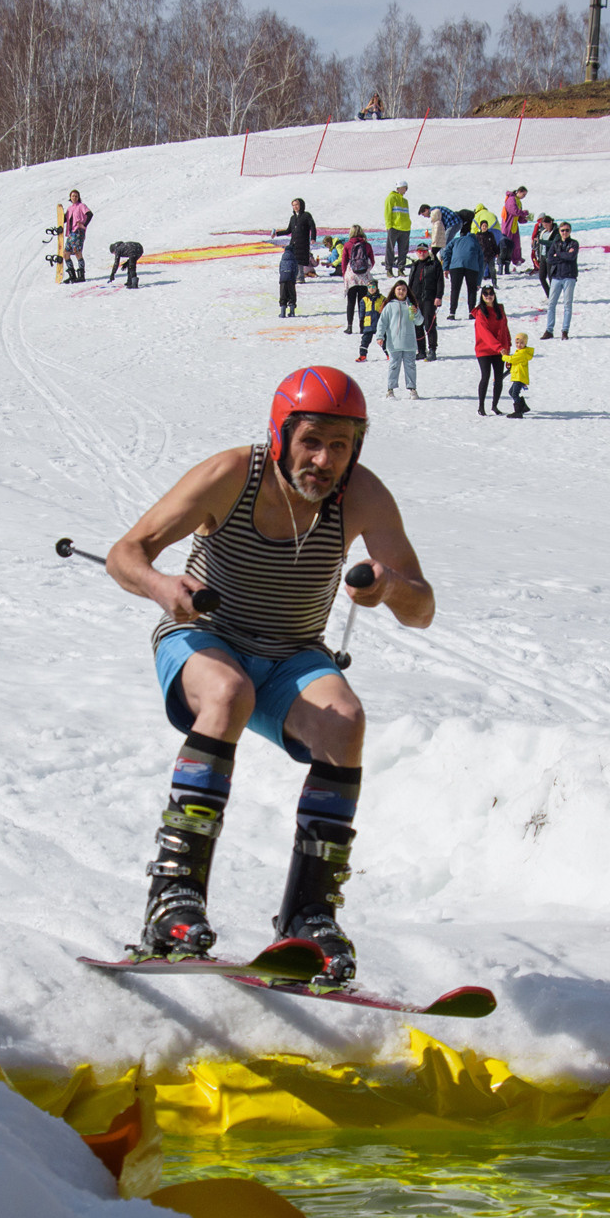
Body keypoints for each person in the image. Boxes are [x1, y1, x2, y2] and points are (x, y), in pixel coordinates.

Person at [104, 366, 434, 984]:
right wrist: (160, 585)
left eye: (341, 445)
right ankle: (173, 900)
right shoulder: (232, 474)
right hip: (203, 635)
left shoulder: (361, 494)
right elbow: (127, 553)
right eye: (311, 440)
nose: (324, 459)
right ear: (282, 435)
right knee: (228, 693)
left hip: (292, 652)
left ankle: (309, 917)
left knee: (346, 722)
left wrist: (388, 586)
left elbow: (423, 610)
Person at [377, 281, 424, 398]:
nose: (401, 292)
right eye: (399, 289)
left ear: (407, 291)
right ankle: (390, 390)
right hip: (394, 343)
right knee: (393, 366)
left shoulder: (411, 305)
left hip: (409, 343)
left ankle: (412, 389)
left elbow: (419, 322)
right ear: (394, 291)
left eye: (403, 289)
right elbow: (382, 322)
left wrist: (416, 312)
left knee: (411, 366)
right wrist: (380, 336)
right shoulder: (389, 306)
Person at [273, 198, 316, 318]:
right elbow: (288, 230)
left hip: (303, 242)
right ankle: (296, 276)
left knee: (301, 259)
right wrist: (277, 233)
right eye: (293, 205)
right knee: (293, 260)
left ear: (301, 205)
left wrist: (313, 238)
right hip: (294, 243)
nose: (295, 207)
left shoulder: (306, 216)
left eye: (297, 205)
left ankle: (300, 276)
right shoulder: (293, 218)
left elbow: (313, 226)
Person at [471, 286, 510, 417]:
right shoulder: (481, 313)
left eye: (491, 293)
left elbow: (505, 330)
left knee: (499, 378)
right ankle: (481, 406)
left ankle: (495, 405)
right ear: (481, 296)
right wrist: (500, 347)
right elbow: (484, 333)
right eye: (485, 294)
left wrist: (507, 350)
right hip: (484, 349)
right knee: (485, 376)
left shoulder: (500, 309)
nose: (488, 296)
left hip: (499, 351)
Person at [543, 221, 579, 340]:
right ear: (559, 231)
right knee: (551, 304)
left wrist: (558, 255)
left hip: (569, 276)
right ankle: (549, 330)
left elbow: (571, 257)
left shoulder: (574, 243)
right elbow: (549, 258)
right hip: (556, 276)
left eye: (567, 230)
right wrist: (562, 255)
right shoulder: (556, 243)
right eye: (562, 230)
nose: (564, 233)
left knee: (567, 304)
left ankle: (565, 330)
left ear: (570, 231)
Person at [407, 243, 443, 360]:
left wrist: (438, 296)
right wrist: (408, 297)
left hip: (429, 298)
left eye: (423, 251)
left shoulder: (434, 264)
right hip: (416, 299)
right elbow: (411, 282)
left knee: (429, 324)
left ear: (428, 252)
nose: (421, 253)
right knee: (417, 325)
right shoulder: (415, 265)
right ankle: (421, 350)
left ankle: (432, 349)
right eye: (419, 251)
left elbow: (440, 282)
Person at [339, 225, 376, 333]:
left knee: (351, 302)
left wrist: (344, 274)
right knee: (362, 302)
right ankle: (362, 326)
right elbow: (372, 261)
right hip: (363, 277)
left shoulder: (347, 245)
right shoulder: (367, 245)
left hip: (351, 277)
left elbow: (344, 262)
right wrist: (366, 270)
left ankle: (349, 326)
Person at [443, 220, 483, 318]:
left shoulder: (455, 240)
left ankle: (452, 313)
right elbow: (481, 262)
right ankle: (471, 312)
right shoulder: (475, 242)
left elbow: (446, 252)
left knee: (455, 289)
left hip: (456, 266)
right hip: (472, 267)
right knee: (472, 289)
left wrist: (446, 267)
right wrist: (478, 282)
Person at [500, 332, 534, 418]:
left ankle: (518, 411)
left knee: (514, 393)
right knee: (511, 392)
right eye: (517, 343)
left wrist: (504, 356)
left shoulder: (522, 353)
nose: (519, 345)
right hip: (517, 376)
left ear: (525, 343)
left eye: (522, 343)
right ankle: (523, 406)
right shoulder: (519, 352)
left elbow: (512, 359)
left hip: (520, 377)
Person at [62, 189, 92, 282]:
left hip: (78, 232)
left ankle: (81, 275)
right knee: (66, 254)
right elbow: (65, 220)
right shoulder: (69, 209)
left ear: (78, 197)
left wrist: (84, 225)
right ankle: (72, 275)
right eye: (72, 196)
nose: (74, 197)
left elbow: (90, 214)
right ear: (70, 197)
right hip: (71, 233)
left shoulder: (81, 206)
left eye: (76, 196)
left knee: (77, 252)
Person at [353, 280, 386, 362]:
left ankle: (389, 354)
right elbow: (362, 312)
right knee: (365, 340)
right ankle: (362, 355)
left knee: (384, 339)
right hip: (368, 323)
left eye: (373, 287)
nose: (371, 289)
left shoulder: (382, 299)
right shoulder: (364, 300)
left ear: (377, 288)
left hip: (379, 323)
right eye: (369, 287)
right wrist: (361, 322)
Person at [383, 182, 412, 274]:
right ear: (399, 188)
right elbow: (387, 213)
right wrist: (389, 226)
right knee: (390, 249)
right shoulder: (391, 198)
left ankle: (401, 269)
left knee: (403, 250)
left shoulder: (405, 201)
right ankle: (389, 269)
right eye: (404, 188)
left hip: (405, 228)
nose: (406, 190)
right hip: (394, 227)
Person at [499, 187, 530, 273]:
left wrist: (525, 219)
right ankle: (501, 266)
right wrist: (524, 213)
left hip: (514, 227)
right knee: (505, 246)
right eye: (523, 194)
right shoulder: (511, 199)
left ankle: (514, 261)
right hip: (507, 226)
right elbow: (514, 211)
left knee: (515, 245)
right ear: (519, 192)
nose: (524, 196)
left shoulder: (518, 201)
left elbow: (519, 217)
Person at [529, 214, 559, 295]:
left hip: (551, 257)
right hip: (543, 256)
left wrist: (540, 241)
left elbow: (553, 243)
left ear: (551, 222)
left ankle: (553, 295)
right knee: (542, 277)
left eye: (546, 224)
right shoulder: (543, 232)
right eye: (543, 225)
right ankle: (549, 294)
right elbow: (540, 244)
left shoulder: (556, 232)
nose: (545, 226)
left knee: (551, 278)